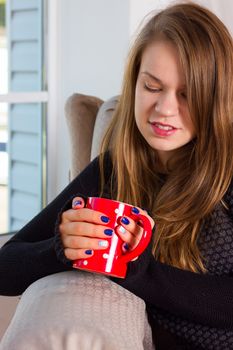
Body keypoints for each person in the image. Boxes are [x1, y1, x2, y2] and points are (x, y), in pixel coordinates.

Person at [1, 1, 233, 349]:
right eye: (152, 87)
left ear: (214, 97)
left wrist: (139, 271)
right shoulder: (113, 169)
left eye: (186, 94)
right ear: (134, 82)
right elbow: (6, 268)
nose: (164, 109)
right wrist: (61, 249)